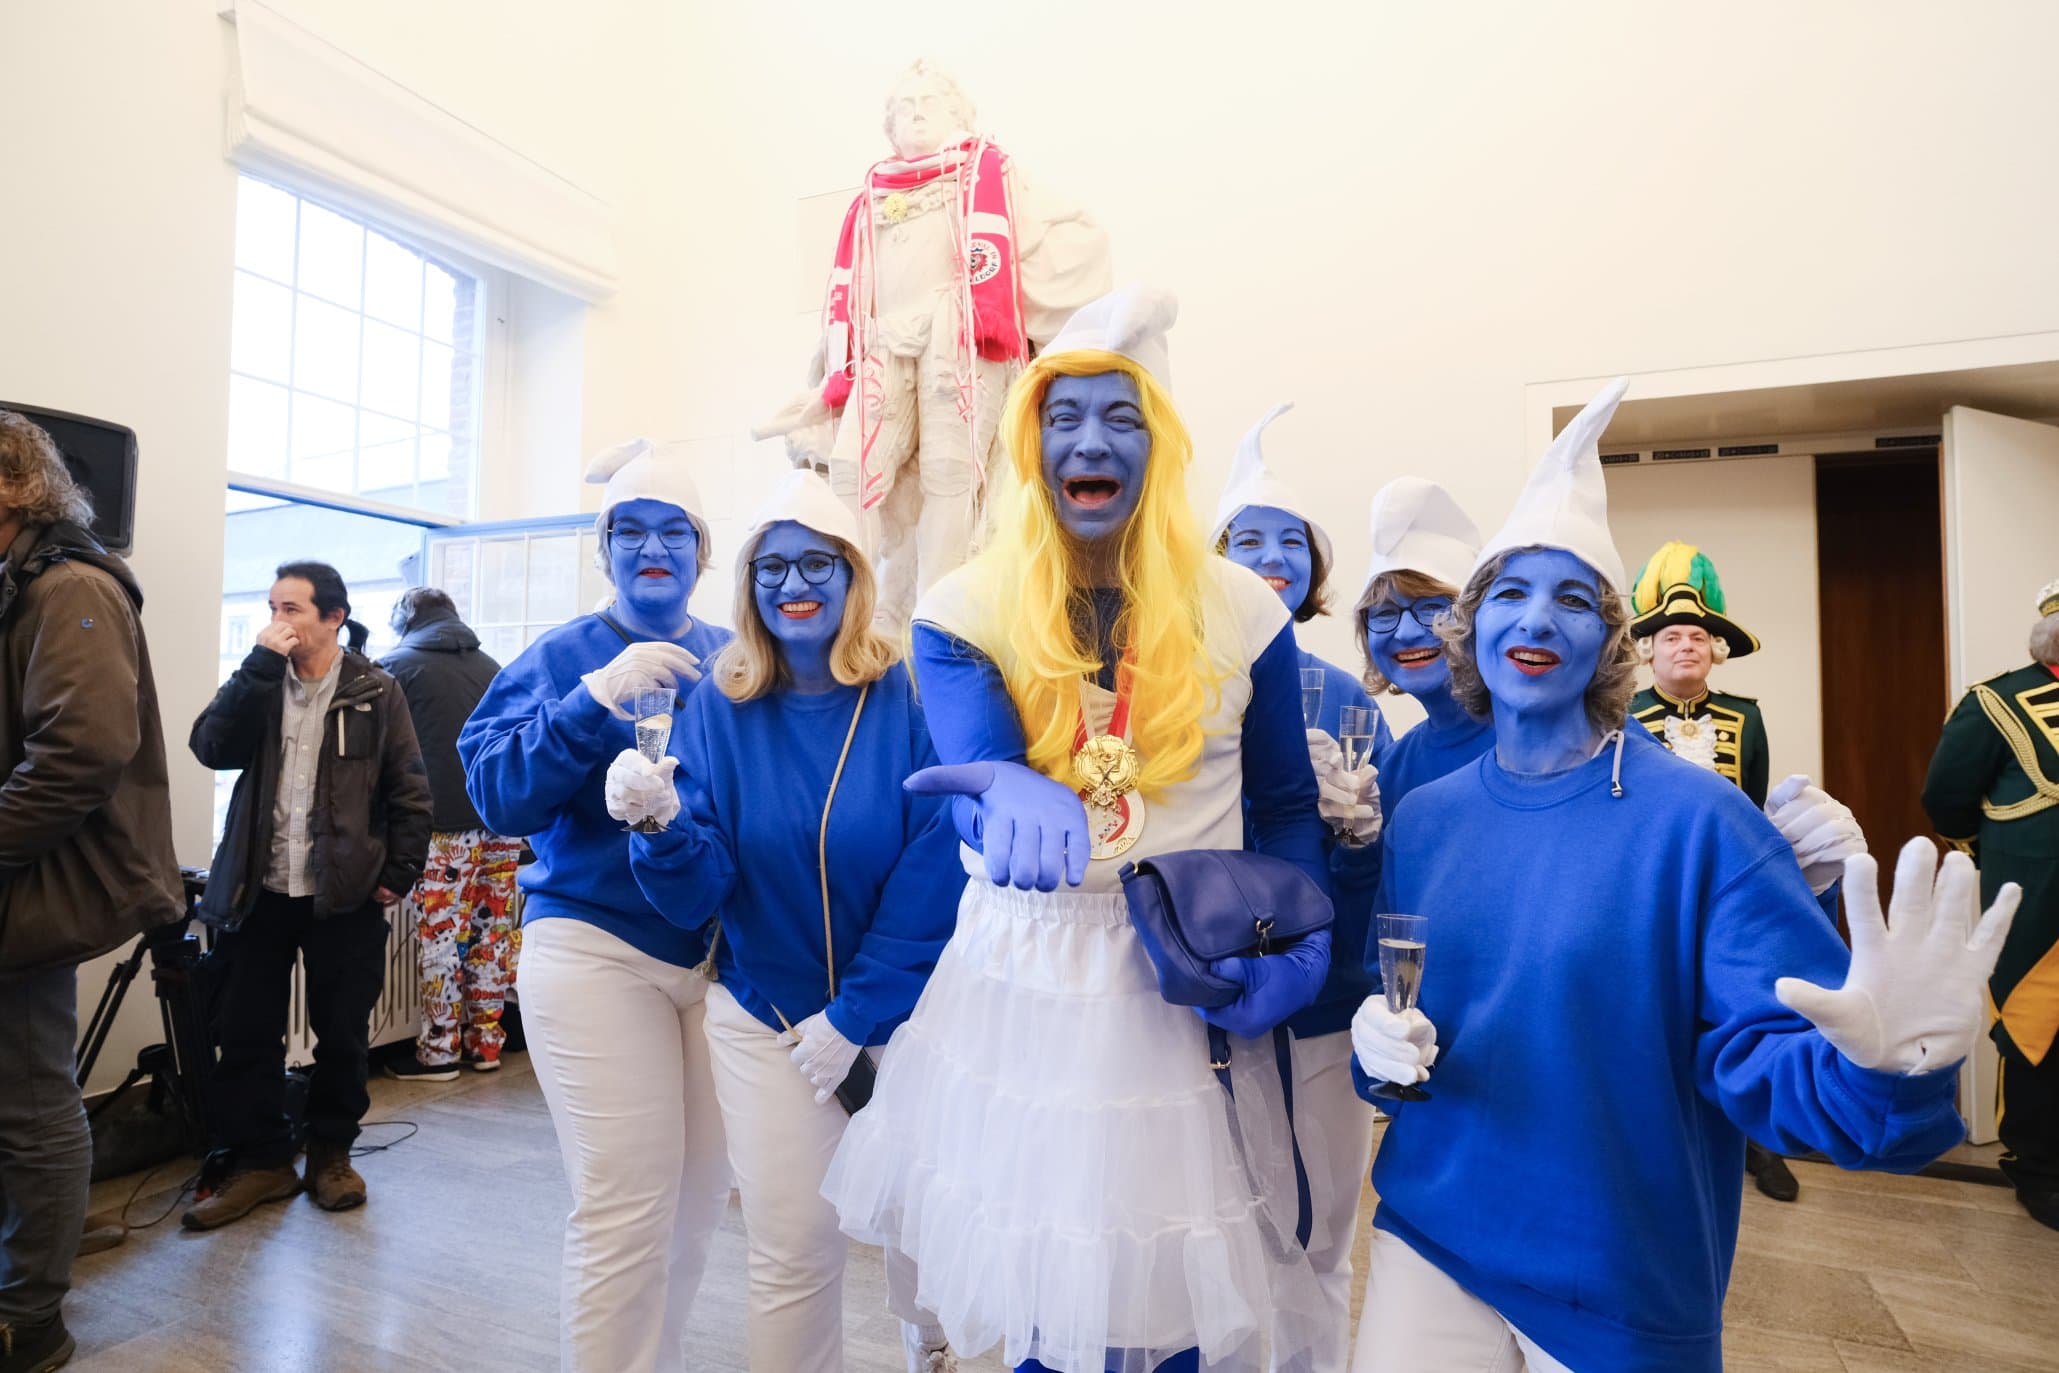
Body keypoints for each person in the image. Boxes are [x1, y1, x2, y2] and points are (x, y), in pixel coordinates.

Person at [1345, 378, 2019, 1373]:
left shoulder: (1701, 823)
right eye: (1511, 592)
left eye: (1573, 597)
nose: (1537, 617)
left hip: (1618, 1273)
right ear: (1474, 626)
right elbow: (1398, 1003)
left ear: (1612, 643)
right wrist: (1373, 1044)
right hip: (1428, 1232)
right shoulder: (1424, 817)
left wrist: (1892, 1069)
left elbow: (1773, 1057)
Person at [825, 286, 1333, 1373]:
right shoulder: (963, 606)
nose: (1089, 442)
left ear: (1159, 444)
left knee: (1176, 1282)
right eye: (1062, 418)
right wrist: (998, 787)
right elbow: (974, 770)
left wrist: (1299, 920)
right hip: (1026, 970)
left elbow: (1287, 800)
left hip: (1183, 963)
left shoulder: (1246, 607)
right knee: (1042, 1273)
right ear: (1029, 443)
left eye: (1118, 417)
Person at [607, 470, 962, 1373]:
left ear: (852, 575)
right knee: (793, 1247)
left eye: (815, 562)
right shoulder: (718, 707)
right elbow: (698, 892)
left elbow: (935, 865)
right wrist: (658, 827)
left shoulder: (911, 696)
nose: (792, 583)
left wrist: (859, 1013)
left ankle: (935, 1343)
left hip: (911, 1020)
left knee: (926, 1237)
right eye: (771, 567)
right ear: (748, 583)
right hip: (765, 1019)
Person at [457, 439, 733, 1373]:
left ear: (702, 551)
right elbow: (497, 795)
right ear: (605, 549)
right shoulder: (561, 656)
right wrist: (585, 704)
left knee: (697, 1206)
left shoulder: (735, 661)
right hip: (593, 947)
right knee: (626, 1199)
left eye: (673, 533)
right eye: (631, 532)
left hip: (713, 959)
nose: (653, 549)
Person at [759, 60, 1113, 630]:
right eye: (905, 105)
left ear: (960, 115)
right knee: (851, 467)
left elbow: (1071, 238)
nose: (918, 111)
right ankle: (853, 614)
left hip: (962, 342)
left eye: (931, 102)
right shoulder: (870, 196)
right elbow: (849, 301)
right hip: (883, 346)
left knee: (951, 477)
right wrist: (824, 379)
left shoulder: (992, 176)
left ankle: (938, 621)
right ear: (890, 127)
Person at [0, 411, 183, 1373]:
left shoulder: (69, 585)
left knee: (31, 1107)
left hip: (34, 890)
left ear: (10, 482)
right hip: (21, 877)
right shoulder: (25, 583)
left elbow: (79, 751)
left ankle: (28, 1320)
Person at [1210, 402, 1384, 1373]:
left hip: (1323, 996)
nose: (1269, 555)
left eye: (1289, 541)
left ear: (1314, 569)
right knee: (1223, 1219)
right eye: (1246, 538)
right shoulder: (1181, 678)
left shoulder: (1348, 698)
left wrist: (1355, 830)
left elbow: (1385, 862)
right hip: (1209, 996)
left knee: (1318, 1224)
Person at [184, 561, 432, 1230]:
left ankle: (329, 1155)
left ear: (333, 618)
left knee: (343, 1036)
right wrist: (256, 668)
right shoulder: (260, 683)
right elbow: (209, 745)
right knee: (244, 1033)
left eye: (291, 608)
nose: (277, 621)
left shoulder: (376, 691)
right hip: (257, 889)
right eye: (272, 606)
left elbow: (409, 789)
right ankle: (263, 1160)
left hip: (344, 897)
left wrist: (397, 872)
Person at [1625, 540, 1867, 1204]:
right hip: (1654, 888)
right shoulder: (1623, 718)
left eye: (1697, 636)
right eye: (1671, 635)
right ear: (1648, 649)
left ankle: (1753, 1141)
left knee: (1741, 1006)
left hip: (1726, 887)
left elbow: (1756, 807)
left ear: (1715, 649)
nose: (1685, 646)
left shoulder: (1744, 716)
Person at [1922, 576, 2059, 1231]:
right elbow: (1946, 798)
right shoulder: (1995, 700)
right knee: (2038, 1034)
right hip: (2038, 904)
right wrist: (2006, 854)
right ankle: (2038, 1167)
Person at [379, 587, 521, 1080]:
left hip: (441, 829)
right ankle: (485, 1044)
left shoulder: (396, 667)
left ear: (405, 620)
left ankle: (438, 1052)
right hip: (501, 824)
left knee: (442, 937)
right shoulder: (492, 666)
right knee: (492, 931)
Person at [1351, 477, 1492, 819]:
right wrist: (1352, 838)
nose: (1407, 632)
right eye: (1384, 613)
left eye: (1431, 609)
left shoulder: (1553, 734)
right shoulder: (1393, 769)